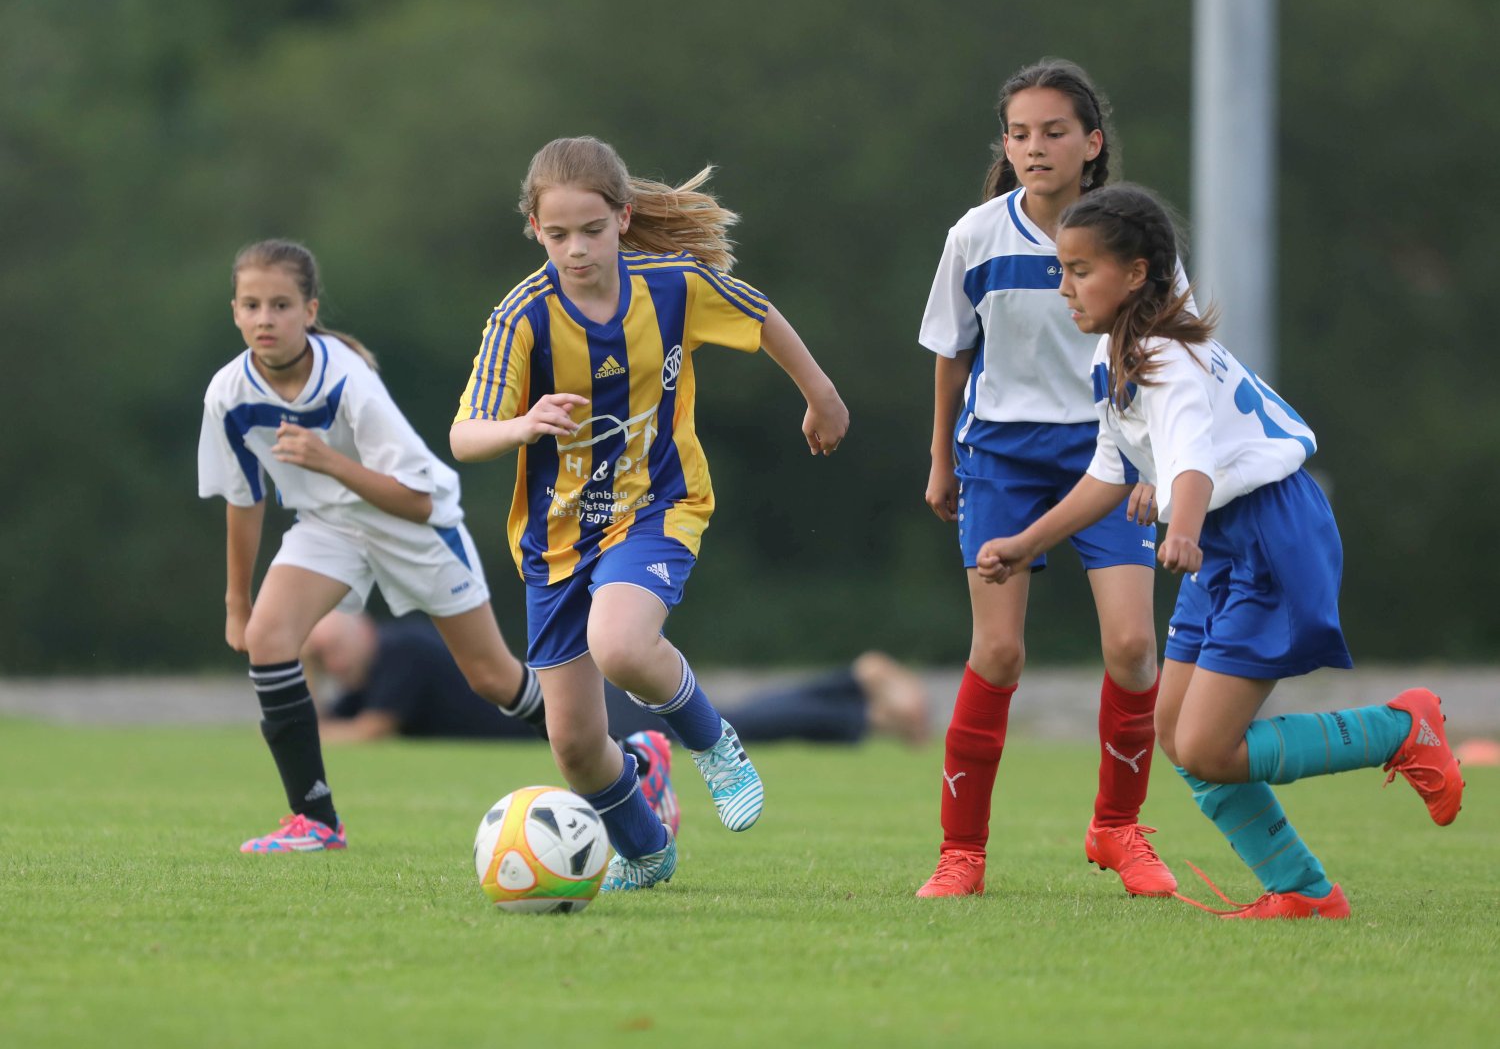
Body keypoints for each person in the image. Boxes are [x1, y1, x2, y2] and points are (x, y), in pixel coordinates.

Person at [976, 181, 1465, 918]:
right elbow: (1110, 471)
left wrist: (1179, 528)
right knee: (1177, 734)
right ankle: (1302, 891)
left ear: (1135, 274)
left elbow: (1194, 459)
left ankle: (1401, 729)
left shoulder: (1164, 358)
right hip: (1221, 538)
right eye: (1061, 270)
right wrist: (1026, 543)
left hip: (1268, 533)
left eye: (1080, 270)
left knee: (1207, 746)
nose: (1065, 287)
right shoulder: (1115, 356)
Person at [449, 137, 849, 892]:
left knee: (622, 645)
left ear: (624, 219)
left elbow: (760, 315)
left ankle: (712, 741)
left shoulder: (672, 285)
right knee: (574, 744)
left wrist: (821, 395)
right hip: (555, 542)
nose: (576, 249)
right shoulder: (522, 316)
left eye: (592, 230)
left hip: (657, 505)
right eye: (557, 234)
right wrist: (522, 424)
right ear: (534, 229)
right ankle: (645, 848)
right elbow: (464, 435)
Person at [197, 239, 579, 854]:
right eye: (251, 305)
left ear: (309, 311)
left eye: (281, 305)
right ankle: (315, 821)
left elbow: (418, 502)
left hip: (413, 528)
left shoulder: (346, 377)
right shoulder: (228, 394)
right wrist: (235, 602)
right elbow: (244, 499)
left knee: (492, 677)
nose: (265, 318)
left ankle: (624, 762)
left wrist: (328, 461)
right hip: (329, 526)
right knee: (268, 638)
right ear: (235, 312)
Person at [914, 59, 1172, 899]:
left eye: (1054, 132)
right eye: (1020, 134)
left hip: (1111, 455)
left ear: (1091, 144)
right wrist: (941, 458)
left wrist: (1161, 465)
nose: (1034, 147)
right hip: (1002, 458)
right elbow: (953, 355)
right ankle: (961, 852)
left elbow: (1172, 357)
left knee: (1132, 646)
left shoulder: (1133, 237)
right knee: (998, 650)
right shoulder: (974, 236)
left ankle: (1118, 828)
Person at [304, 610, 930, 747]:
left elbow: (370, 731)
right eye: (321, 659)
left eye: (329, 649)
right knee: (726, 717)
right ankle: (854, 688)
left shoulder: (402, 652)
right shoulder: (368, 671)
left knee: (719, 729)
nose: (333, 665)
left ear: (361, 625)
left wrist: (313, 721)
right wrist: (309, 670)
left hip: (583, 708)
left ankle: (860, 702)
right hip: (576, 708)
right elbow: (330, 720)